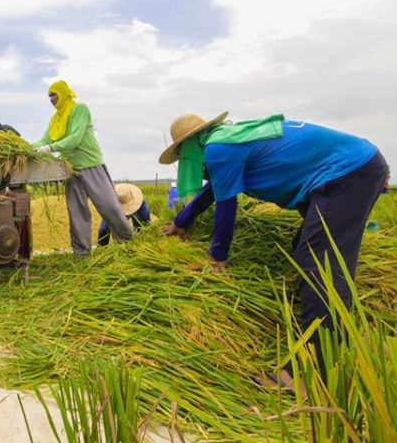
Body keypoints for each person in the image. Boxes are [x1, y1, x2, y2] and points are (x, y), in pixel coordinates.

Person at [158, 112, 388, 392]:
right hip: (351, 167)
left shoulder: (219, 148)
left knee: (320, 265)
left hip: (347, 173)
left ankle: (313, 372)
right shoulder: (231, 138)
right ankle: (339, 337)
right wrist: (182, 222)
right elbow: (216, 190)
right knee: (306, 252)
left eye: (182, 154)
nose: (185, 162)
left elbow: (226, 206)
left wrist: (218, 256)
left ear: (191, 144)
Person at [32, 80, 133, 257]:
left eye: (54, 94)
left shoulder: (80, 110)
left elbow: (75, 138)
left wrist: (50, 148)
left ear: (64, 93)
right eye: (49, 96)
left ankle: (128, 242)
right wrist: (28, 149)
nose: (51, 99)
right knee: (76, 212)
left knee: (108, 205)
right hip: (71, 170)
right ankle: (82, 254)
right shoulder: (55, 119)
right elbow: (44, 140)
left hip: (91, 165)